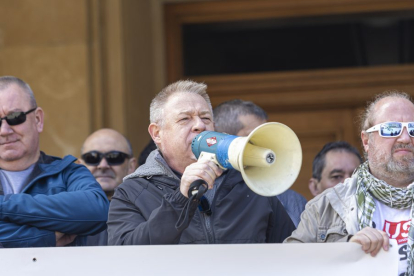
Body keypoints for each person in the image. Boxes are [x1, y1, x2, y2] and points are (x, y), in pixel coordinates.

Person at [107, 80, 295, 245]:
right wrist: (180, 199)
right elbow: (126, 255)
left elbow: (288, 254)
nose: (200, 125)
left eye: (205, 118)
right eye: (184, 118)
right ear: (157, 133)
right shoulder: (132, 192)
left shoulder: (250, 184)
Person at [285, 91, 414, 276]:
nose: (405, 138)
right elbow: (286, 266)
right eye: (391, 129)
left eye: (412, 129)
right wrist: (345, 251)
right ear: (366, 141)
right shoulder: (324, 206)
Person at [0, 76, 109, 247]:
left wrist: (4, 205)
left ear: (38, 119)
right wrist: (45, 236)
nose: (4, 130)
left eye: (14, 117)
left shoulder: (69, 172)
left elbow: (97, 211)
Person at [214, 99, 307, 227]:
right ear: (224, 138)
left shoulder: (292, 202)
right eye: (251, 140)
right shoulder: (203, 195)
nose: (264, 148)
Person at [80, 128, 137, 246]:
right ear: (81, 166)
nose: (103, 165)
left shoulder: (149, 209)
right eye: (92, 157)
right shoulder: (62, 211)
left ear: (131, 166)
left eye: (114, 157)